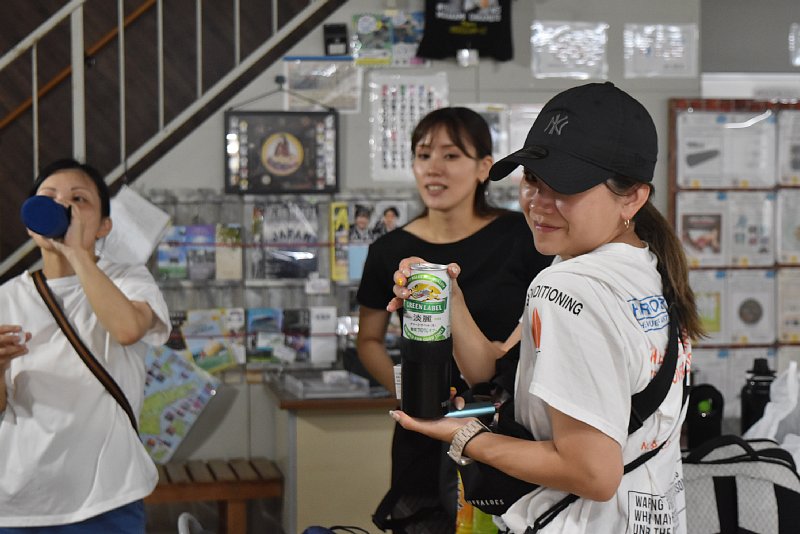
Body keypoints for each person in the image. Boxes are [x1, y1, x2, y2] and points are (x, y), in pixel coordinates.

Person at [387, 82, 703, 533]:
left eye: (566, 186)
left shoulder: (568, 286)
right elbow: (500, 371)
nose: (539, 203)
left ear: (632, 197)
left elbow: (592, 473)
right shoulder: (645, 268)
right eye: (533, 179)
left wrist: (465, 438)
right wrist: (449, 297)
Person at [356, 107, 552, 532]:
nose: (434, 168)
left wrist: (503, 365)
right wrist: (412, 392)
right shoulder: (389, 251)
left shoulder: (525, 236)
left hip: (508, 426)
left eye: (451, 155)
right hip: (425, 428)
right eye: (423, 155)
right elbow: (368, 339)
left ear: (484, 167)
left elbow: (539, 322)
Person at [0, 159, 170, 533]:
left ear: (104, 225)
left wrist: (76, 251)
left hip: (108, 498)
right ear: (31, 220)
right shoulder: (6, 298)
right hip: (19, 503)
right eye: (49, 197)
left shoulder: (129, 280)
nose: (63, 207)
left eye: (79, 199)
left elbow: (127, 329)